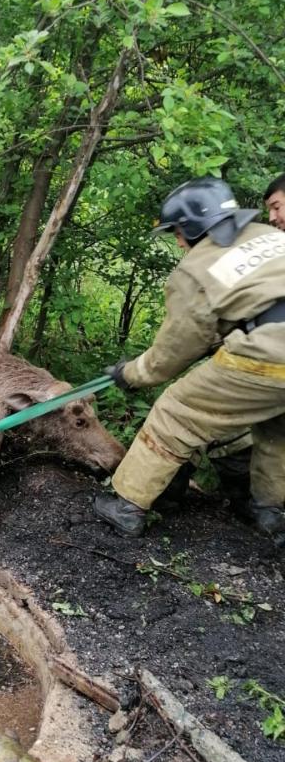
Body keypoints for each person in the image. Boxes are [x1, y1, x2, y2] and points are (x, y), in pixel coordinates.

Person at [93, 176, 285, 542]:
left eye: (178, 232)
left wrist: (132, 374)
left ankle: (126, 505)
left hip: (270, 354)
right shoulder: (272, 237)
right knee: (276, 430)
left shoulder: (196, 267)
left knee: (175, 413)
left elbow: (172, 353)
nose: (178, 242)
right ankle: (269, 513)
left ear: (197, 225)